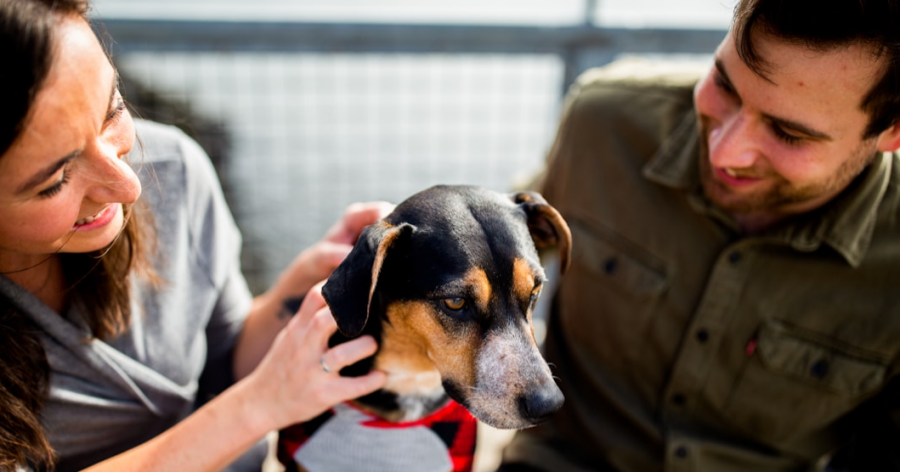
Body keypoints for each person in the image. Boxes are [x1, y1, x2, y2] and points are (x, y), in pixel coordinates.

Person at [498, 0, 900, 471]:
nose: (725, 151)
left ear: (892, 130)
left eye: (788, 134)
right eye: (724, 86)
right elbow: (496, 254)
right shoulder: (603, 123)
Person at [0, 1, 388, 471]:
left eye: (113, 111)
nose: (130, 186)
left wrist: (304, 282)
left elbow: (224, 362)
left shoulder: (175, 171)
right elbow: (251, 396)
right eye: (55, 182)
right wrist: (259, 405)